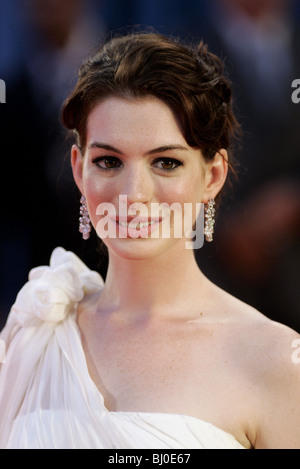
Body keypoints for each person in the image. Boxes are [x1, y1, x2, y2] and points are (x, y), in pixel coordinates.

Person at [0, 31, 299, 449]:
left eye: (165, 162)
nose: (133, 194)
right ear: (79, 169)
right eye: (108, 161)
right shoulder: (34, 329)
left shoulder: (275, 359)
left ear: (211, 176)